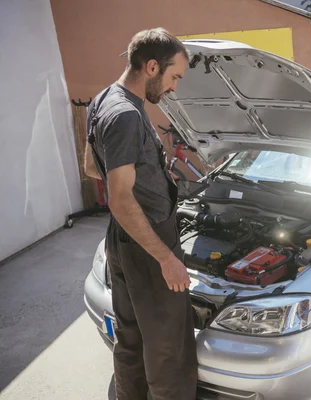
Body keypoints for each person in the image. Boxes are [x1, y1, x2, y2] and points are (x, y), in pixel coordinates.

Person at [83, 28, 197, 400]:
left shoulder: (102, 101)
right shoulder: (126, 115)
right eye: (174, 76)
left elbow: (91, 166)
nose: (174, 88)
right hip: (148, 241)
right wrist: (166, 258)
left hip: (123, 238)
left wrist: (133, 178)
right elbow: (119, 199)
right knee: (168, 350)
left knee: (130, 338)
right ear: (151, 66)